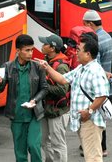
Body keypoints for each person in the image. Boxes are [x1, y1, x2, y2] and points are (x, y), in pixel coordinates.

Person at [37, 35, 110, 162]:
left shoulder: (94, 71)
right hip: (84, 119)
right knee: (90, 155)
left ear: (88, 54)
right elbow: (63, 79)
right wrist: (47, 67)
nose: (75, 52)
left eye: (78, 50)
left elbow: (103, 95)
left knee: (93, 157)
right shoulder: (81, 68)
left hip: (91, 121)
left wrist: (89, 111)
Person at [0, 34, 48, 162]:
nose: (31, 53)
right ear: (18, 51)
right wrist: (0, 81)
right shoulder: (7, 67)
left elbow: (45, 88)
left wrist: (35, 100)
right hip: (16, 115)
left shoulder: (38, 67)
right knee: (20, 153)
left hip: (34, 115)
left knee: (34, 146)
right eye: (27, 50)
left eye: (32, 49)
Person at [83, 9, 112, 156]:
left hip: (97, 84)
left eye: (85, 25)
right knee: (102, 114)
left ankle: (100, 147)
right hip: (107, 83)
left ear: (90, 24)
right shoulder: (107, 36)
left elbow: (96, 65)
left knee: (96, 116)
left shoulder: (95, 41)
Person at [38, 34, 70, 162]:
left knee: (58, 144)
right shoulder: (48, 61)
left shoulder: (61, 66)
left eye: (45, 44)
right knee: (44, 141)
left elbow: (62, 90)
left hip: (58, 111)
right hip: (48, 109)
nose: (42, 45)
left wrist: (43, 88)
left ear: (52, 48)